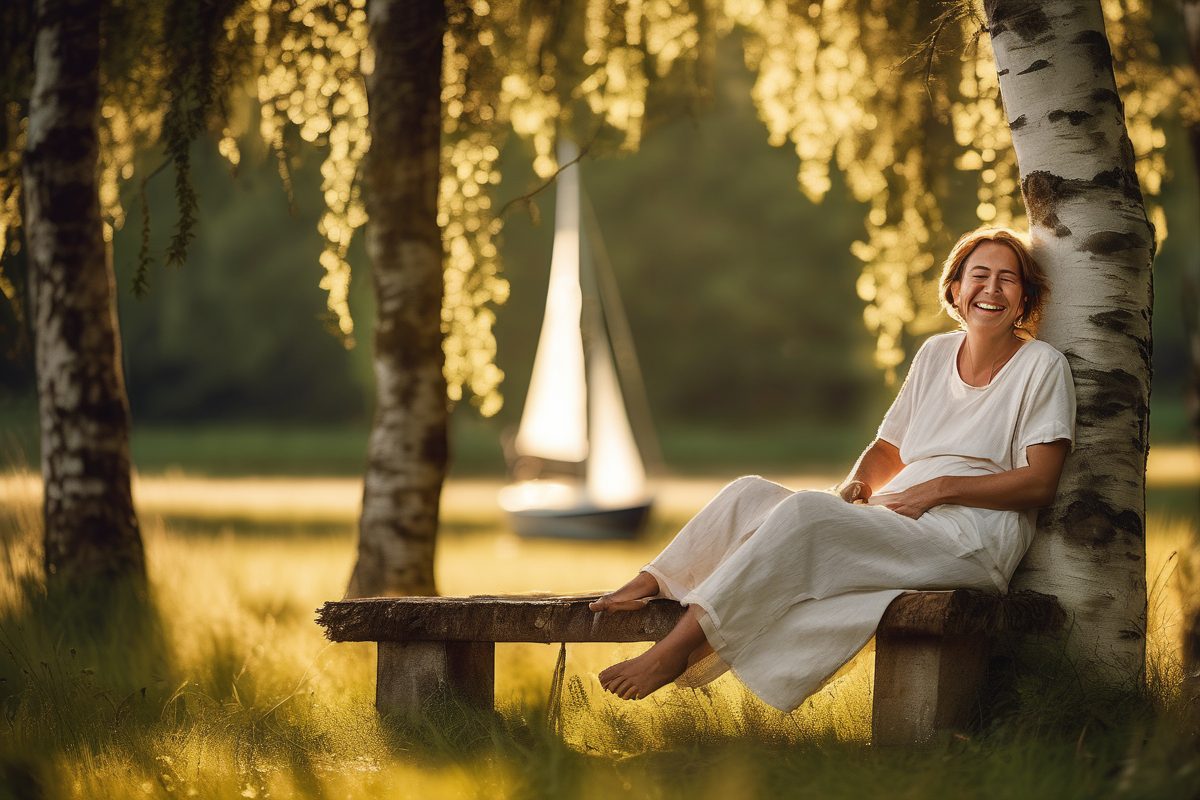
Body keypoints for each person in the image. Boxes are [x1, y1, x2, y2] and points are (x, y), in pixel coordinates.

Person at [589, 227, 1076, 710]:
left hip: (971, 538)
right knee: (750, 493)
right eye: (980, 275)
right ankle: (653, 581)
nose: (991, 290)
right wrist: (857, 485)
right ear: (955, 288)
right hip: (903, 516)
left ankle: (674, 653)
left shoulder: (1041, 365)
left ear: (1025, 297)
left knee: (805, 515)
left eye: (1008, 280)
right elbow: (889, 450)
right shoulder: (935, 354)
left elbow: (1040, 482)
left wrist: (941, 489)